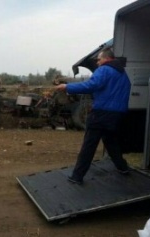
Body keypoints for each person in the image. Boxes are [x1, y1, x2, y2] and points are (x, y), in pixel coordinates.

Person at [54, 48, 131, 184]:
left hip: (101, 113)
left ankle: (77, 176)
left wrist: (67, 87)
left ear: (107, 58)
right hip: (117, 114)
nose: (98, 62)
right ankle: (123, 168)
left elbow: (92, 85)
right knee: (111, 141)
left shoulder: (104, 69)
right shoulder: (122, 73)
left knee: (89, 145)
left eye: (99, 59)